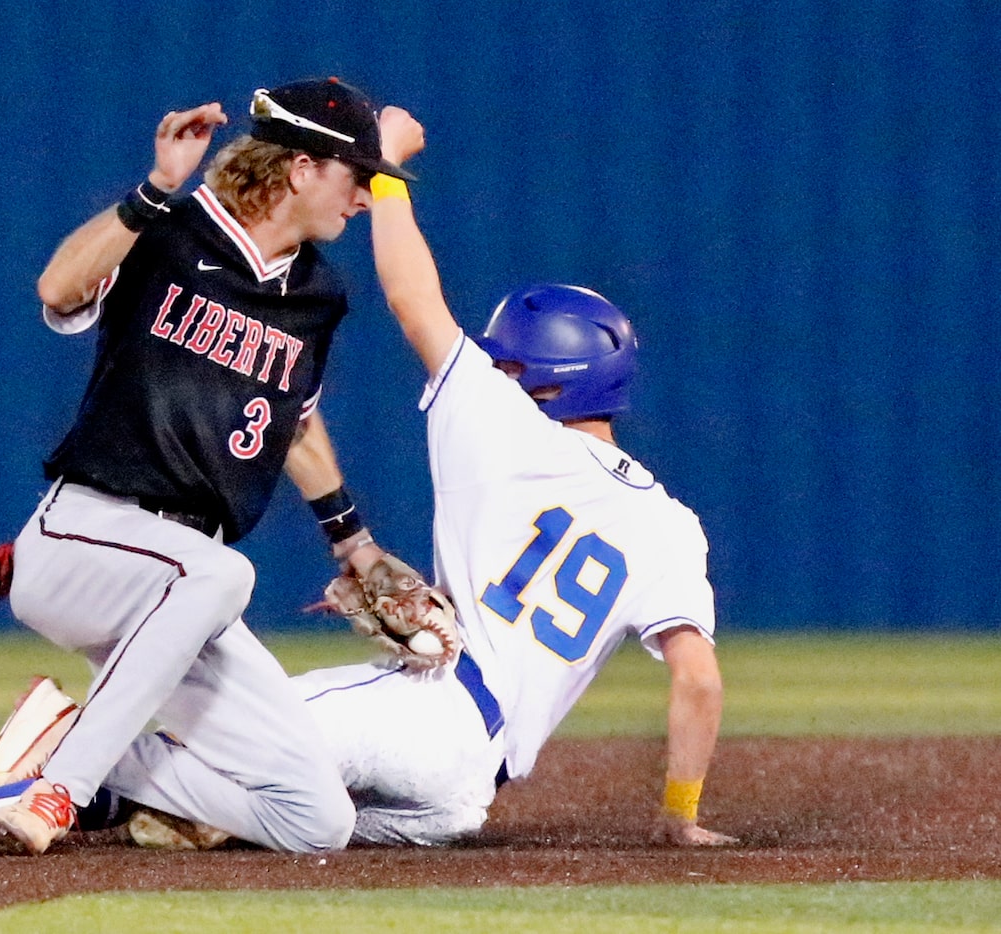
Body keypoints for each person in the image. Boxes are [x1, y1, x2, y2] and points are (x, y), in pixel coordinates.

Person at [0, 77, 421, 856]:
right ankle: (58, 794)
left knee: (315, 819)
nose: (366, 198)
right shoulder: (172, 229)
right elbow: (57, 288)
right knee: (224, 576)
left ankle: (62, 750)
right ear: (302, 167)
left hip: (179, 589)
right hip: (86, 538)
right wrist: (156, 189)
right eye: (357, 176)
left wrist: (354, 542)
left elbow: (293, 424)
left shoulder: (318, 292)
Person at [277, 109, 737, 847]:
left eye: (511, 363)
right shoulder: (672, 526)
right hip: (465, 794)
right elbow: (700, 680)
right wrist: (679, 813)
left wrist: (387, 171)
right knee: (282, 818)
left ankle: (71, 777)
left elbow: (410, 297)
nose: (496, 369)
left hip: (424, 711)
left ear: (548, 383)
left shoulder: (506, 426)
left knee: (233, 736)